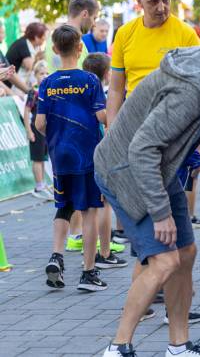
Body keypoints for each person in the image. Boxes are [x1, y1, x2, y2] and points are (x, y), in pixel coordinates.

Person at [95, 18, 200, 357]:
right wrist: (160, 214)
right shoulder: (189, 92)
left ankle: (178, 345)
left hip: (159, 168)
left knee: (186, 254)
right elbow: (142, 150)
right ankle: (118, 347)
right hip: (125, 170)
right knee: (164, 262)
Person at [105, 0, 200, 322]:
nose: (162, 7)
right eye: (154, 2)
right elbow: (116, 88)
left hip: (171, 140)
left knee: (170, 231)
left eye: (166, 0)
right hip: (134, 138)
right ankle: (154, 299)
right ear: (139, 3)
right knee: (155, 229)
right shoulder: (125, 34)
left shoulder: (185, 33)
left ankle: (170, 300)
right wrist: (111, 131)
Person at [35, 25, 109, 291]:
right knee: (89, 210)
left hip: (59, 155)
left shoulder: (47, 83)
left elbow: (40, 123)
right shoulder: (90, 81)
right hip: (86, 154)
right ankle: (88, 272)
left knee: (64, 206)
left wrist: (57, 136)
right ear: (80, 48)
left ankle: (56, 256)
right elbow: (102, 116)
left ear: (55, 49)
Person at [82, 52, 128, 269]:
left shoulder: (81, 91)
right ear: (107, 73)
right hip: (100, 148)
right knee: (103, 202)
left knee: (91, 205)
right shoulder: (102, 93)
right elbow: (104, 119)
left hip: (82, 149)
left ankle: (95, 252)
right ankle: (105, 252)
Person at [46, 0, 102, 72]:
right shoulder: (60, 41)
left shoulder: (57, 39)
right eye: (94, 18)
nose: (94, 24)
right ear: (85, 14)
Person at [23, 60, 52, 199]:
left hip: (46, 129)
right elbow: (27, 111)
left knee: (43, 158)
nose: (44, 76)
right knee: (37, 158)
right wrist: (29, 130)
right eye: (41, 73)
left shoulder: (49, 91)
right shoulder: (33, 92)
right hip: (36, 129)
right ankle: (39, 185)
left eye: (47, 73)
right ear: (35, 75)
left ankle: (43, 183)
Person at [4, 22, 48, 89]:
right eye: (44, 36)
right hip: (12, 85)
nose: (45, 38)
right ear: (36, 37)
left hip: (18, 83)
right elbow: (31, 67)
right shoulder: (23, 44)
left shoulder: (31, 45)